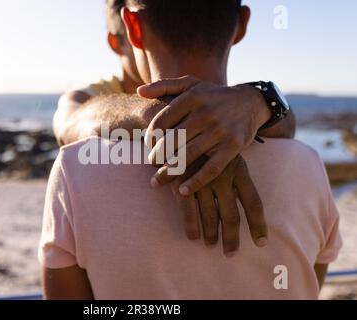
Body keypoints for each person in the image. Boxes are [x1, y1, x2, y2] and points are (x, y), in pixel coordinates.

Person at [39, 0, 342, 299]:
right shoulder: (308, 165)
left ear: (132, 26)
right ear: (241, 24)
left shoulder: (76, 170)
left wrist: (260, 100)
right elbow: (309, 286)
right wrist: (179, 123)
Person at [53, 0, 297, 255]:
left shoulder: (223, 105)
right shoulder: (96, 97)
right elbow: (70, 124)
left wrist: (260, 100)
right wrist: (167, 117)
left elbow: (288, 125)